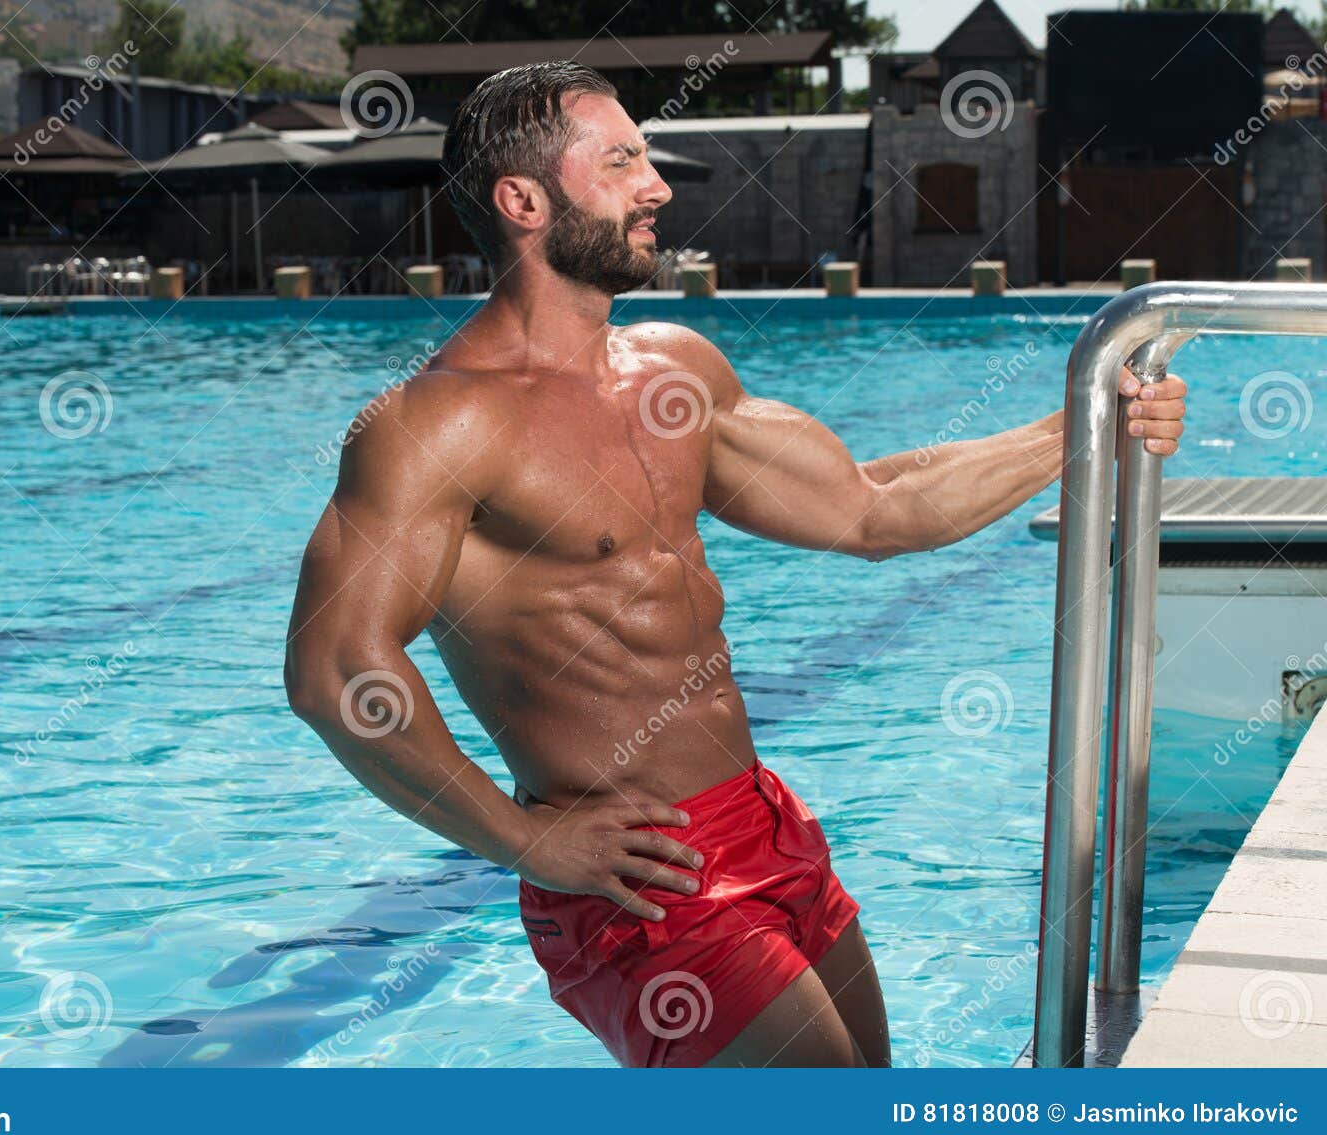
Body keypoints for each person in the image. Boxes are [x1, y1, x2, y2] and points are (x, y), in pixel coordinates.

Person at [284, 61, 1188, 1068]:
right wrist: (523, 840)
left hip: (764, 824)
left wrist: (1080, 427)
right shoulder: (437, 425)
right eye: (622, 161)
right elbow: (336, 670)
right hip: (640, 882)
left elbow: (871, 507)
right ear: (523, 200)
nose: (656, 186)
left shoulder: (675, 371)